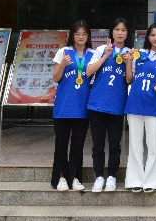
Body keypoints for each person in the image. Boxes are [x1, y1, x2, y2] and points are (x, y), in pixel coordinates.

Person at [85, 18, 132, 193]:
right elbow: (88, 72)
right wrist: (106, 55)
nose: (120, 33)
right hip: (97, 104)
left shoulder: (130, 53)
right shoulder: (100, 49)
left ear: (127, 33)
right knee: (97, 143)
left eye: (123, 30)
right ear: (112, 32)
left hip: (117, 105)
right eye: (117, 29)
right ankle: (99, 176)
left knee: (115, 144)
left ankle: (112, 175)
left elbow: (129, 80)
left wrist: (128, 62)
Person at [124, 23, 156, 193]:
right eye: (152, 35)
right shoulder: (139, 54)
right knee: (135, 144)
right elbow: (129, 79)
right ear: (148, 37)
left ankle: (152, 181)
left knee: (153, 144)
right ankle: (135, 180)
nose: (155, 38)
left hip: (153, 104)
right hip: (135, 103)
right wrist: (129, 61)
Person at [51, 20, 94, 192]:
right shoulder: (63, 52)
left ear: (88, 36)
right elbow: (56, 78)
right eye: (77, 34)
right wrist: (62, 64)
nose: (81, 37)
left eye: (84, 34)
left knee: (77, 145)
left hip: (82, 106)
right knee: (61, 144)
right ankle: (60, 177)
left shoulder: (93, 54)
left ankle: (74, 177)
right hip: (63, 106)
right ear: (72, 35)